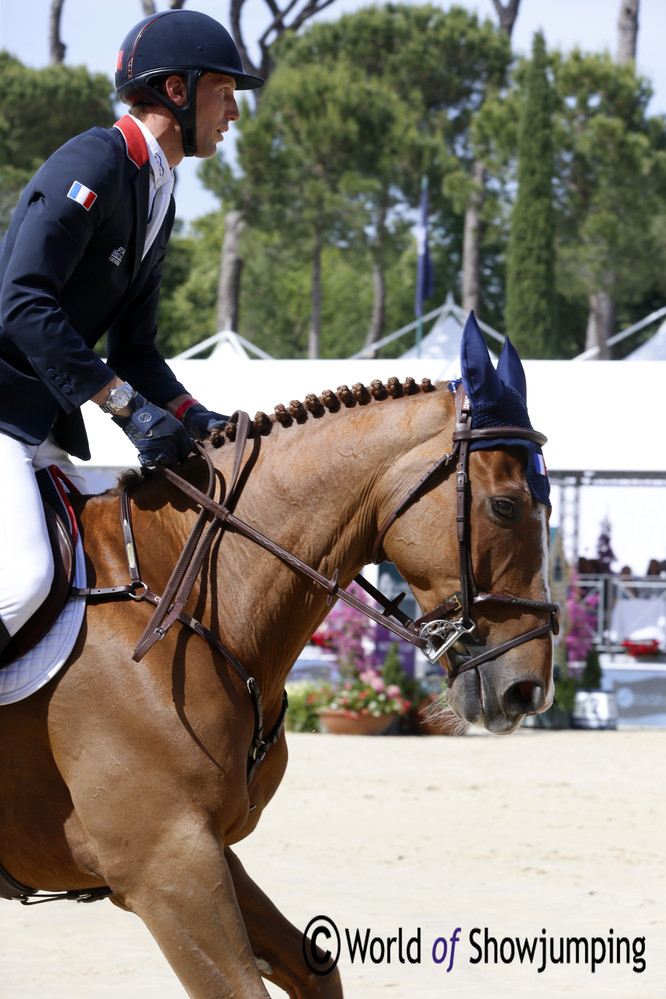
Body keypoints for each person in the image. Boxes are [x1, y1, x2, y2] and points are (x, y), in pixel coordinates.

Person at [0, 10, 263, 658]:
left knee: (119, 561)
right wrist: (122, 406)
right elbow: (21, 300)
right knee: (25, 581)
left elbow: (135, 350)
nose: (232, 111)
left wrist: (192, 416)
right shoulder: (96, 159)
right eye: (223, 92)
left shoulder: (157, 191)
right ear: (177, 90)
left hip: (38, 430)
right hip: (4, 416)